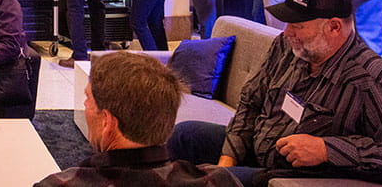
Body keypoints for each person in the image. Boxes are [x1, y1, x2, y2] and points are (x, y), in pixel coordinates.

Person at [168, 0, 382, 187]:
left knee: (210, 182)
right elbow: (251, 101)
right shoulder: (287, 47)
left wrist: (327, 149)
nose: (287, 31)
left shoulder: (370, 79)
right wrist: (228, 157)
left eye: (298, 25)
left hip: (291, 173)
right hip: (258, 147)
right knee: (185, 135)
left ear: (333, 27)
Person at [36, 52, 240, 187]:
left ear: (108, 122)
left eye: (88, 100)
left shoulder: (58, 184)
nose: (85, 106)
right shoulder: (220, 181)